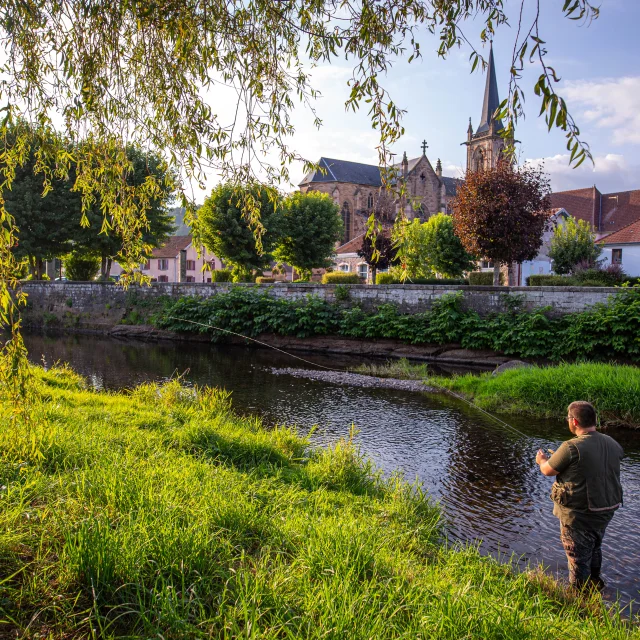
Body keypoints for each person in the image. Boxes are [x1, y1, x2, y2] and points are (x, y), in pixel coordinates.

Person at [536, 401, 624, 590]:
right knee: (594, 547)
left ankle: (579, 601)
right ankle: (596, 585)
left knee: (577, 558)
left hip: (578, 516)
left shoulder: (571, 447)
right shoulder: (613, 443)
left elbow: (547, 471)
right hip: (605, 511)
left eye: (568, 418)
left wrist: (542, 459)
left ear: (574, 422)